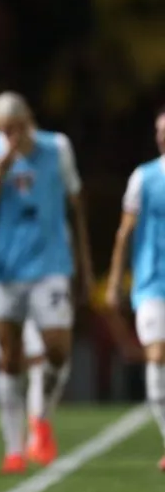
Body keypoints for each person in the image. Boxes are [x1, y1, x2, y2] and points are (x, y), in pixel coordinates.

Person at [0, 91, 95, 473]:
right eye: (4, 129)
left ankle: (40, 416)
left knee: (57, 349)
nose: (11, 136)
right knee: (9, 357)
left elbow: (76, 204)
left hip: (51, 264)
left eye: (17, 127)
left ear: (28, 121)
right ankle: (14, 448)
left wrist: (84, 265)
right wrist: (1, 171)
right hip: (4, 269)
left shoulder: (57, 147)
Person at [105, 105, 165, 470]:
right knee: (157, 356)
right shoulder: (143, 178)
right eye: (160, 131)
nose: (162, 137)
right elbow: (124, 233)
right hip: (151, 282)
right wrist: (114, 281)